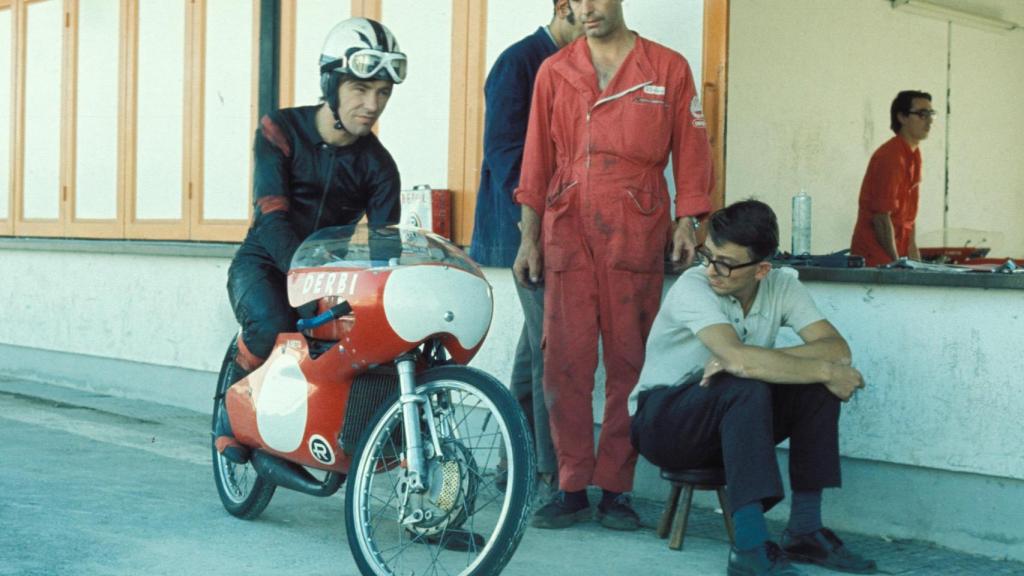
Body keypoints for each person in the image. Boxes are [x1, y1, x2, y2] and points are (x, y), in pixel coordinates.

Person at [513, 0, 713, 530]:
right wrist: (528, 237)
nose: (588, 10)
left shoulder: (666, 67)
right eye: (575, 2)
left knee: (630, 358)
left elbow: (693, 151)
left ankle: (617, 490)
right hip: (566, 224)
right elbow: (535, 159)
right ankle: (571, 485)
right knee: (565, 361)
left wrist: (689, 220)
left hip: (637, 221)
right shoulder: (554, 71)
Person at [630, 200, 877, 575]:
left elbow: (837, 349)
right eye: (708, 255)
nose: (713, 269)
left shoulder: (781, 286)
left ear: (762, 269)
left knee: (816, 387)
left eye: (726, 263)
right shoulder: (692, 286)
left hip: (726, 422)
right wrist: (748, 361)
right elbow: (738, 360)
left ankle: (805, 531)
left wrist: (822, 369)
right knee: (743, 385)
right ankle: (748, 547)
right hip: (663, 421)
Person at [215, 18, 407, 464]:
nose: (372, 104)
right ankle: (229, 408)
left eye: (382, 93)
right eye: (360, 89)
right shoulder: (279, 129)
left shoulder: (380, 167)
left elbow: (384, 248)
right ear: (331, 85)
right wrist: (309, 281)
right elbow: (272, 216)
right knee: (270, 323)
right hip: (264, 261)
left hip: (328, 276)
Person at [469, 0, 583, 497]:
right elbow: (504, 153)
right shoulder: (519, 62)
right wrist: (533, 227)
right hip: (525, 229)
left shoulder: (579, 63)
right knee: (551, 347)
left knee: (534, 348)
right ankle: (546, 473)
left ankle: (508, 463)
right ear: (563, 8)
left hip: (563, 227)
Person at [851, 90, 934, 266]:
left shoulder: (914, 154)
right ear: (902, 117)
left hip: (896, 259)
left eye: (931, 114)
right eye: (922, 114)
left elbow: (909, 220)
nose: (929, 120)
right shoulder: (891, 155)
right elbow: (881, 218)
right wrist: (897, 264)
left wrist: (915, 263)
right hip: (876, 260)